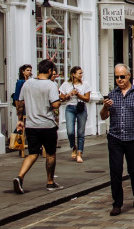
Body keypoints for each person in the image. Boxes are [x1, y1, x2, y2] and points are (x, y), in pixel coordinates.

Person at [100, 63, 134, 217]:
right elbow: (103, 116)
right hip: (115, 137)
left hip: (133, 137)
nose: (119, 80)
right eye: (116, 77)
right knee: (115, 171)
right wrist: (105, 107)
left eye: (122, 76)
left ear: (128, 76)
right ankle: (117, 203)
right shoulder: (112, 94)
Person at [12, 59, 62, 194]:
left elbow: (20, 103)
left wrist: (20, 120)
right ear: (50, 71)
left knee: (33, 153)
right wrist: (60, 100)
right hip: (47, 125)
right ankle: (50, 182)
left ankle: (20, 176)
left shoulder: (27, 84)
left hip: (31, 125)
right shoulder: (51, 85)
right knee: (51, 154)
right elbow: (55, 104)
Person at [59, 66, 91, 163]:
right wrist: (69, 94)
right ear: (73, 74)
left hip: (81, 108)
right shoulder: (66, 84)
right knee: (70, 131)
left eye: (82, 73)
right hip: (70, 108)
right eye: (79, 73)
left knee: (81, 132)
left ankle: (79, 153)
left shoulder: (85, 84)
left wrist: (78, 95)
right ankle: (73, 147)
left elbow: (87, 99)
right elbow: (61, 98)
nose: (81, 75)